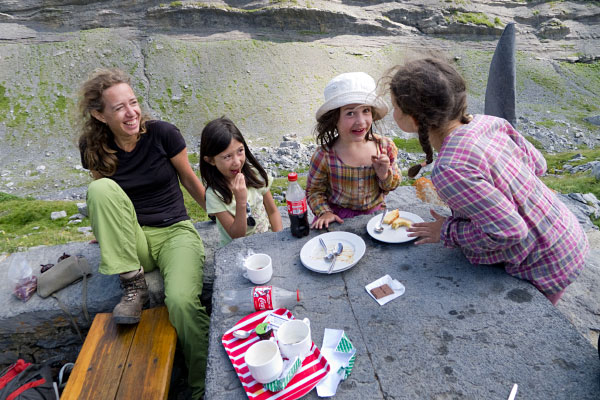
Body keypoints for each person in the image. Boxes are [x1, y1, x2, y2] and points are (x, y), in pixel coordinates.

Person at [388, 57, 589, 305]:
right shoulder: (488, 122)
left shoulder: (450, 169)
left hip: (548, 262)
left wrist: (447, 230)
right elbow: (539, 165)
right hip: (568, 233)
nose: (392, 112)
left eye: (396, 106)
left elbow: (510, 231)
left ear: (416, 119)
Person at [77, 68, 209, 399]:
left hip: (175, 233)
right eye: (119, 107)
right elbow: (104, 196)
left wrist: (226, 219)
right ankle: (133, 287)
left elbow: (192, 182)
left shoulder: (163, 134)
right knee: (101, 189)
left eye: (133, 102)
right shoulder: (93, 146)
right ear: (99, 114)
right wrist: (107, 232)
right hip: (133, 241)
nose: (131, 112)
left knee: (181, 301)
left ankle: (202, 387)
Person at [306, 72, 402, 230]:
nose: (361, 121)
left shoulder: (384, 147)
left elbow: (391, 185)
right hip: (338, 218)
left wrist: (384, 175)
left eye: (366, 111)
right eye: (350, 113)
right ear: (334, 118)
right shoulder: (324, 155)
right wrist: (324, 212)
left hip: (374, 216)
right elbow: (314, 191)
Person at [200, 117, 283, 246]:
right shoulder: (214, 195)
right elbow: (237, 236)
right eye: (227, 156)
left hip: (267, 242)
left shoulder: (255, 175)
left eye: (240, 151)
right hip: (238, 251)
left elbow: (273, 212)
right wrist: (241, 201)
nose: (237, 162)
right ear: (211, 160)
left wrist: (279, 241)